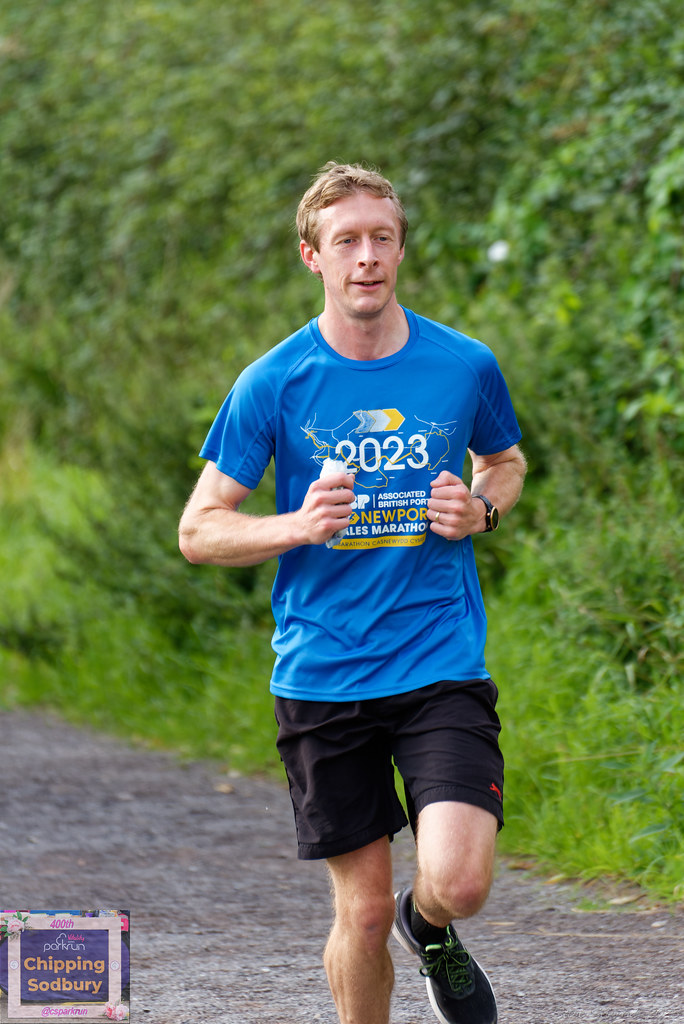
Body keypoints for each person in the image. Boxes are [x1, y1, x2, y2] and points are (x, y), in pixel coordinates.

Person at [178, 161, 526, 1024]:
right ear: (313, 257)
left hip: (438, 659)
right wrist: (294, 526)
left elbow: (506, 463)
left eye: (381, 238)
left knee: (461, 881)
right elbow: (200, 528)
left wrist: (480, 508)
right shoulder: (275, 381)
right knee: (361, 913)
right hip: (324, 676)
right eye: (346, 242)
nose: (366, 257)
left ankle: (433, 926)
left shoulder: (463, 365)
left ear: (400, 250)